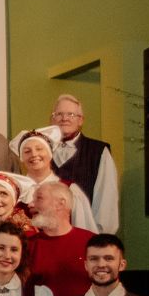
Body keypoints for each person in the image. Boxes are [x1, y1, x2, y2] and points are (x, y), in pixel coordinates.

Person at [48, 94, 119, 234]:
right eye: (59, 114)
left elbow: (106, 198)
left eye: (71, 114)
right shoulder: (40, 150)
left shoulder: (98, 151)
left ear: (80, 120)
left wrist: (99, 237)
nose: (64, 118)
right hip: (48, 234)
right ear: (52, 120)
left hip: (85, 234)